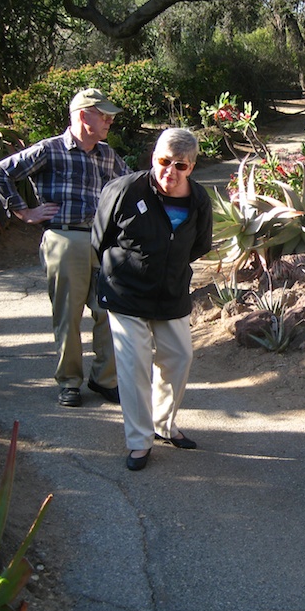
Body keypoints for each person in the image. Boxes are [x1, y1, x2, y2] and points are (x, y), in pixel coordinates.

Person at [0, 88, 131, 407]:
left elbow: (130, 186)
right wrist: (24, 211)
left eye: (110, 116)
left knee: (108, 310)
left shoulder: (107, 154)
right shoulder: (49, 150)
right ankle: (69, 381)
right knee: (68, 314)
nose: (109, 121)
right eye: (103, 115)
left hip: (103, 239)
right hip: (65, 238)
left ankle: (104, 379)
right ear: (83, 115)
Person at [91, 128, 213, 471]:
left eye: (180, 165)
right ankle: (139, 442)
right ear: (152, 157)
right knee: (133, 366)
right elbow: (99, 239)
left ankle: (164, 424)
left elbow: (200, 244)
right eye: (163, 161)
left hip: (171, 292)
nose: (170, 171)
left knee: (179, 357)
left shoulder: (199, 199)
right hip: (126, 293)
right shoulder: (125, 190)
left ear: (191, 167)